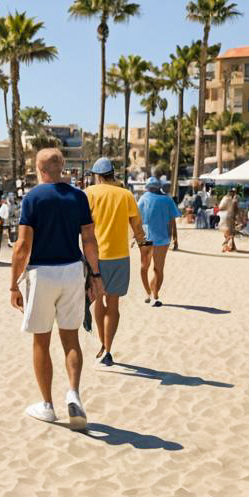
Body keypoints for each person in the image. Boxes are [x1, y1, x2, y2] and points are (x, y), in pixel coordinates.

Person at [9, 147, 102, 429]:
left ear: (39, 169)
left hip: (42, 273)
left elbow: (23, 246)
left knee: (41, 340)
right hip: (73, 270)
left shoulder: (33, 198)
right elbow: (88, 239)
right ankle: (73, 392)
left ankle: (47, 405)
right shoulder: (78, 196)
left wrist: (13, 284)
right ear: (62, 168)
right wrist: (95, 275)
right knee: (70, 338)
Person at [84, 157, 148, 367]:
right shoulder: (126, 195)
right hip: (120, 256)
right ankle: (108, 349)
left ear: (96, 175)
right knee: (113, 304)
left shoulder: (89, 194)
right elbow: (137, 226)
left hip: (96, 256)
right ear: (112, 174)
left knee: (98, 301)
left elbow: (81, 225)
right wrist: (143, 248)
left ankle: (102, 343)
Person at [137, 173, 180, 304]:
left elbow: (137, 220)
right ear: (159, 188)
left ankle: (148, 293)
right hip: (163, 239)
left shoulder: (143, 198)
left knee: (144, 267)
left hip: (146, 237)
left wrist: (135, 237)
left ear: (147, 188)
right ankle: (155, 294)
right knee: (158, 269)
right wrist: (175, 238)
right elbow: (173, 221)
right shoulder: (167, 200)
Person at [218, 187, 239, 253]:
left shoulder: (225, 198)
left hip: (223, 217)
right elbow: (236, 210)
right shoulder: (234, 200)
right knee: (230, 233)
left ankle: (231, 246)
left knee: (228, 233)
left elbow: (220, 207)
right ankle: (226, 247)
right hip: (229, 218)